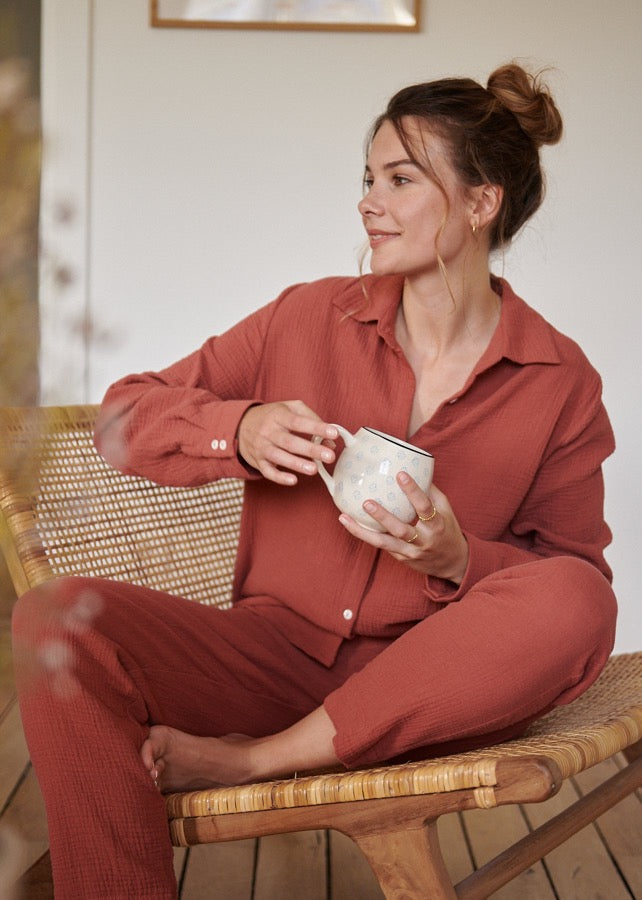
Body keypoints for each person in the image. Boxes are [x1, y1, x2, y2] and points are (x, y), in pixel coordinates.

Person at [12, 62, 617, 898]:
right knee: (55, 620)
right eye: (368, 178)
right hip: (267, 656)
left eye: (400, 179)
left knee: (582, 602)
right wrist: (238, 427)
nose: (368, 200)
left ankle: (255, 761)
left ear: (482, 203)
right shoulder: (306, 316)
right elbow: (122, 421)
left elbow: (570, 579)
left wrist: (455, 559)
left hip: (428, 687)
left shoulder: (560, 380)